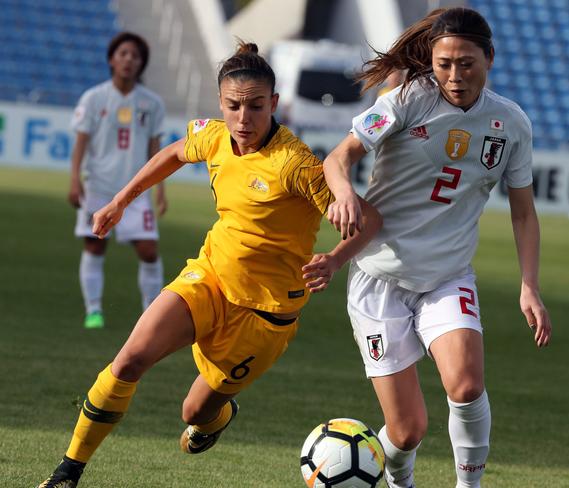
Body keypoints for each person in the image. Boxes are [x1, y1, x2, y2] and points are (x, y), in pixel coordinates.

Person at [37, 41, 381, 488]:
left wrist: (335, 259)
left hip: (265, 314)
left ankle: (215, 418)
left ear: (274, 103)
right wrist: (120, 201)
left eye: (256, 107)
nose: (244, 118)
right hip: (210, 277)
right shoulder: (215, 135)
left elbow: (369, 220)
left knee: (193, 412)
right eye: (234, 106)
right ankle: (68, 472)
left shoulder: (294, 164)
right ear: (220, 103)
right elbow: (174, 153)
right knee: (128, 362)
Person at [323, 7, 552, 488]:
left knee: (467, 386)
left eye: (466, 63)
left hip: (448, 275)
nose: (454, 75)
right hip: (379, 278)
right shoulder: (407, 99)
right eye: (444, 63)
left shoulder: (511, 123)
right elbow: (339, 157)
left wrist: (529, 285)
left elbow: (523, 212)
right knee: (407, 432)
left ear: (489, 58)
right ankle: (398, 479)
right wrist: (345, 193)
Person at [69, 32, 167, 329]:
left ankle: (151, 315)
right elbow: (80, 143)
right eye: (123, 53)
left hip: (136, 191)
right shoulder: (94, 97)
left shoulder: (152, 103)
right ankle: (94, 310)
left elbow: (156, 151)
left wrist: (160, 189)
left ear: (141, 64)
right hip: (98, 187)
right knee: (95, 246)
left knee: (149, 251)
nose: (129, 60)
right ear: (112, 59)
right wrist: (75, 180)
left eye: (135, 56)